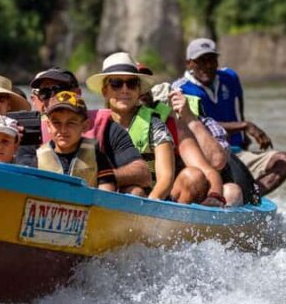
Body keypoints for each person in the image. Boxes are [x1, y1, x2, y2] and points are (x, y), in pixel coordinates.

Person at [86, 52, 219, 205]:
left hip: (153, 198)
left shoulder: (155, 124)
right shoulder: (91, 123)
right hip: (107, 192)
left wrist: (149, 205)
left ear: (138, 90)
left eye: (131, 84)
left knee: (190, 177)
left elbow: (166, 178)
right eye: (116, 83)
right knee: (134, 191)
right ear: (105, 91)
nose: (125, 90)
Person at [173, 38, 286, 195]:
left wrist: (243, 135)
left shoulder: (229, 77)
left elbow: (238, 107)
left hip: (238, 152)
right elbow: (195, 124)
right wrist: (244, 126)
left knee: (285, 160)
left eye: (212, 59)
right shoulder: (180, 90)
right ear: (189, 63)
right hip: (208, 156)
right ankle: (241, 193)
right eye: (201, 61)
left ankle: (253, 195)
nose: (208, 65)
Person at [13, 66, 152, 191]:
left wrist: (92, 177)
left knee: (135, 191)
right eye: (45, 92)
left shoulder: (107, 127)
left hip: (91, 206)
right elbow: (22, 176)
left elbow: (143, 173)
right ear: (37, 99)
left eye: (61, 90)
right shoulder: (28, 131)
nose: (54, 97)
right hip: (44, 204)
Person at [17, 91, 117, 192]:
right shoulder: (38, 158)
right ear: (48, 126)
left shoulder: (97, 156)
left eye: (71, 123)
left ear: (85, 126)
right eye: (57, 123)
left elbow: (106, 191)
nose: (63, 130)